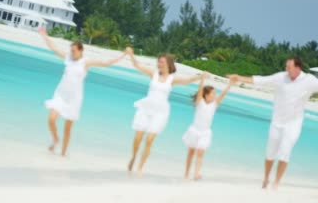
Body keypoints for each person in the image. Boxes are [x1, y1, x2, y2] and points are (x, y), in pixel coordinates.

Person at [227, 57, 318, 189]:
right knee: (270, 153)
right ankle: (266, 178)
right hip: (277, 122)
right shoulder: (280, 77)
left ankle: (276, 182)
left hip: (293, 124)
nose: (286, 69)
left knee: (285, 152)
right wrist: (238, 77)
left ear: (297, 68)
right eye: (286, 67)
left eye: (289, 67)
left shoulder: (309, 80)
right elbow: (260, 80)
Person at [39, 27, 127, 156]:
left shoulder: (85, 63)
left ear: (81, 51)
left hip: (74, 99)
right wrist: (45, 36)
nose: (72, 53)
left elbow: (105, 63)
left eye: (74, 51)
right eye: (71, 50)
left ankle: (63, 154)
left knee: (67, 128)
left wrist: (123, 55)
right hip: (61, 95)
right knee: (51, 119)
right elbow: (54, 48)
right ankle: (56, 139)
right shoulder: (68, 58)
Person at [125, 47, 201, 177]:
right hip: (146, 108)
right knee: (138, 138)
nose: (159, 64)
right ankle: (133, 157)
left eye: (162, 62)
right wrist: (131, 55)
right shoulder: (153, 73)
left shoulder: (172, 79)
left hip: (160, 112)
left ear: (168, 64)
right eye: (158, 62)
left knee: (149, 140)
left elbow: (187, 80)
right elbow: (137, 65)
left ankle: (140, 167)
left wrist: (200, 76)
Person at [183, 72, 233, 180]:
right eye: (213, 93)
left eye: (215, 94)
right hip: (194, 131)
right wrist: (202, 79)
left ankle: (196, 174)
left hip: (205, 133)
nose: (215, 95)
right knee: (191, 153)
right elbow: (200, 90)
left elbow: (223, 95)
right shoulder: (199, 103)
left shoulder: (214, 105)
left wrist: (229, 85)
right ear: (206, 95)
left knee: (200, 153)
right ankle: (186, 173)